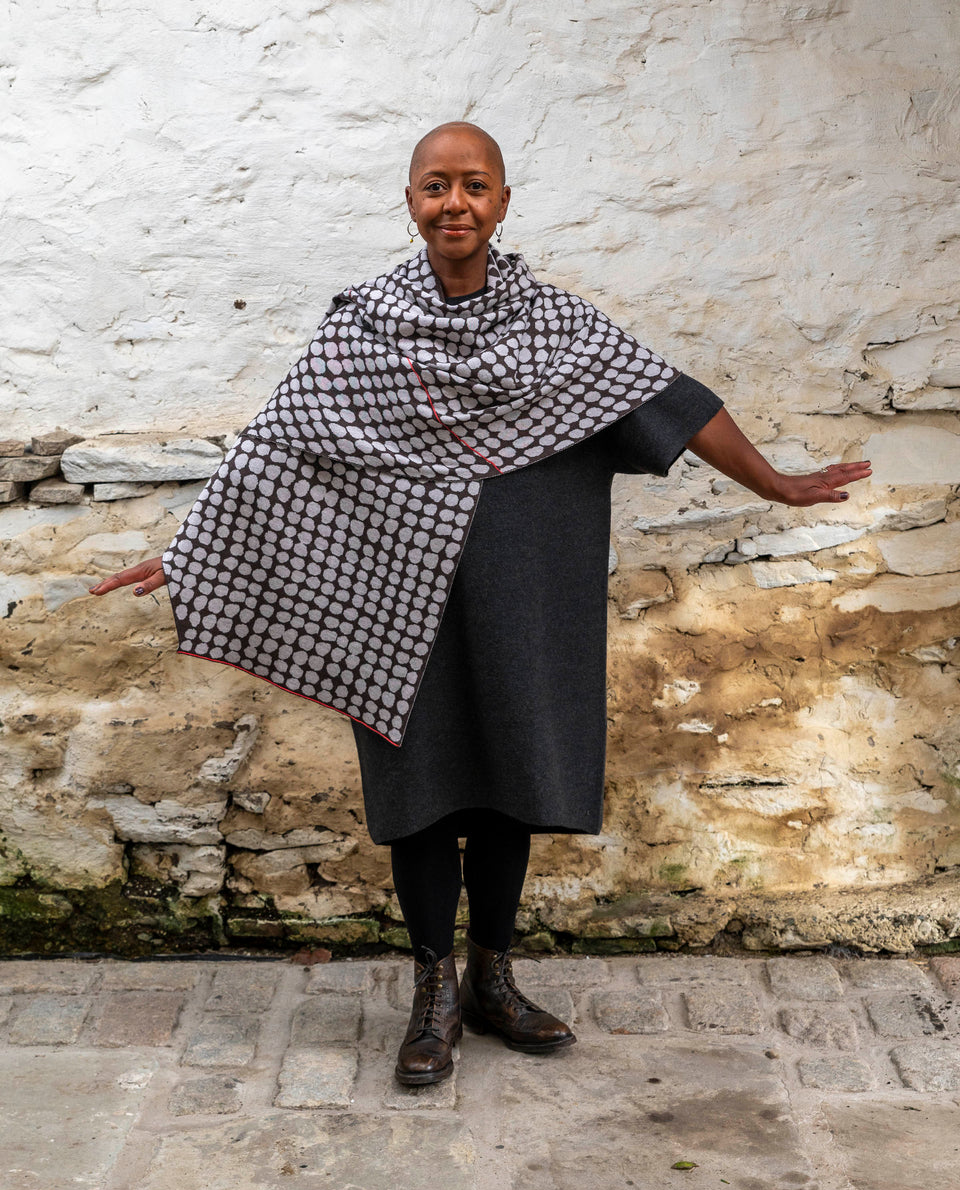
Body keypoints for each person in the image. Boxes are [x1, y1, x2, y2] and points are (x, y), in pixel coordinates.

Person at [89, 121, 871, 1088]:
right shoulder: (364, 329)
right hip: (396, 599)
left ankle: (494, 980)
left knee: (511, 779)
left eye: (474, 185)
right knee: (420, 791)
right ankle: (433, 988)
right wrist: (190, 555)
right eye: (434, 186)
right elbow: (275, 452)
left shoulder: (559, 329)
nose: (453, 202)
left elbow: (673, 400)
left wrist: (777, 483)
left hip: (528, 590)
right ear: (410, 201)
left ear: (503, 201)